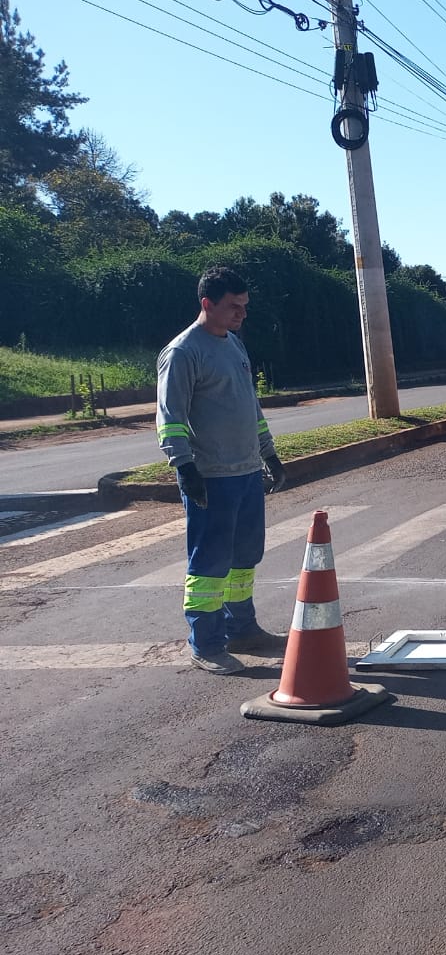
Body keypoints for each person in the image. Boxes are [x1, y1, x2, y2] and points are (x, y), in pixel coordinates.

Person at [156, 266, 288, 675]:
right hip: (211, 476)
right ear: (207, 304)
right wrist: (183, 467)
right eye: (234, 306)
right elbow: (169, 417)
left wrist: (269, 454)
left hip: (246, 471)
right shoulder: (182, 352)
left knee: (244, 558)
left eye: (245, 306)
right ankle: (207, 644)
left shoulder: (234, 345)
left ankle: (242, 629)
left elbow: (251, 407)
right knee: (210, 564)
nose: (241, 314)